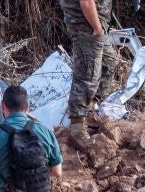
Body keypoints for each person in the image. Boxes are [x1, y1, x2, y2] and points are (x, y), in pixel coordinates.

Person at [60, 0, 117, 149]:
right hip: (86, 23)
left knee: (108, 64)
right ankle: (77, 128)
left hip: (94, 22)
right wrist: (96, 26)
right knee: (87, 74)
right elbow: (86, 2)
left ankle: (89, 111)